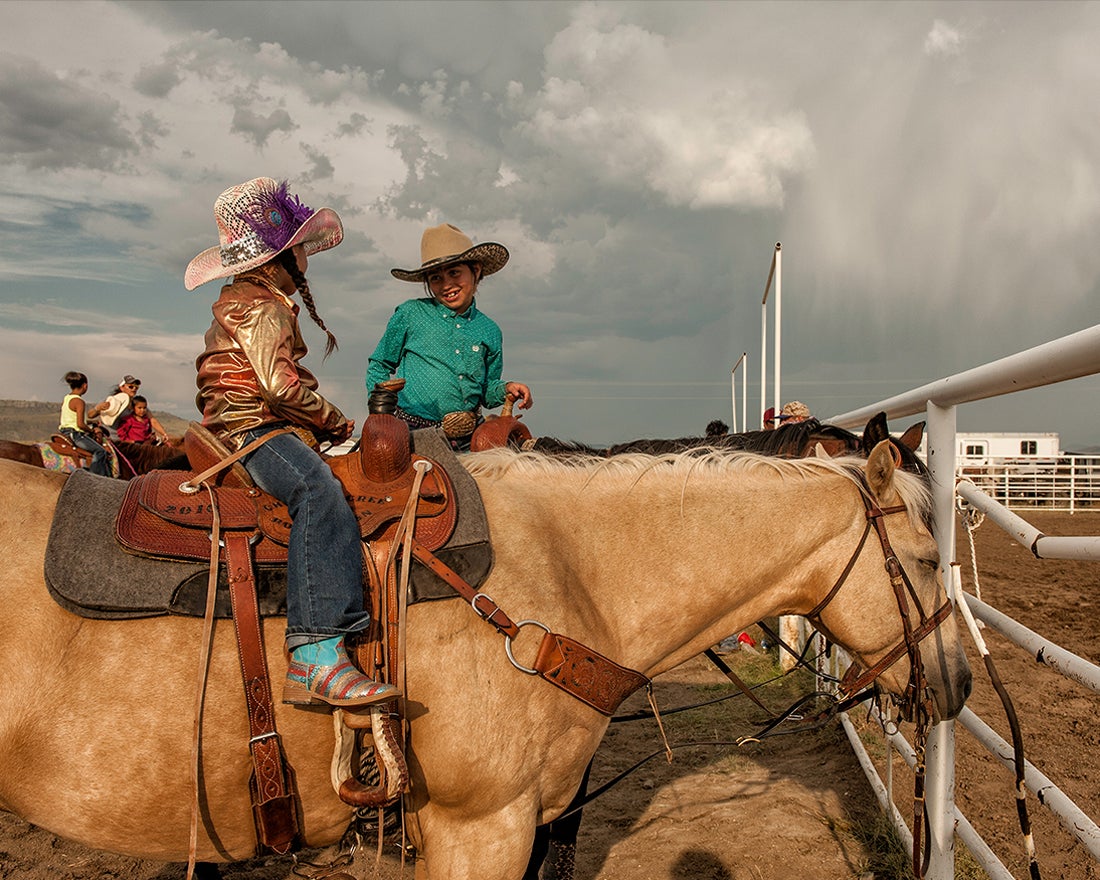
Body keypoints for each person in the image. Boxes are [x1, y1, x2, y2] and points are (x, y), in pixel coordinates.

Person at [185, 176, 396, 708]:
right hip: (253, 427)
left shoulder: (243, 300)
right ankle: (316, 652)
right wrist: (337, 422)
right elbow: (280, 389)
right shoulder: (264, 306)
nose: (305, 258)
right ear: (279, 259)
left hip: (240, 422)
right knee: (318, 491)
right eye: (299, 249)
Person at [366, 223, 533, 450]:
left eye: (454, 273)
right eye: (436, 278)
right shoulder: (410, 314)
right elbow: (379, 364)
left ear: (476, 271)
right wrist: (382, 415)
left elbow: (486, 391)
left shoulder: (489, 330)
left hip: (471, 435)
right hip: (415, 432)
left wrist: (507, 389)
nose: (446, 285)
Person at [57, 371, 110, 476]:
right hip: (75, 435)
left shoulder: (66, 398)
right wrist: (92, 431)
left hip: (64, 432)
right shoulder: (79, 401)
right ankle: (94, 476)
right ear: (85, 386)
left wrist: (91, 422)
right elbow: (80, 424)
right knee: (100, 451)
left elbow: (71, 419)